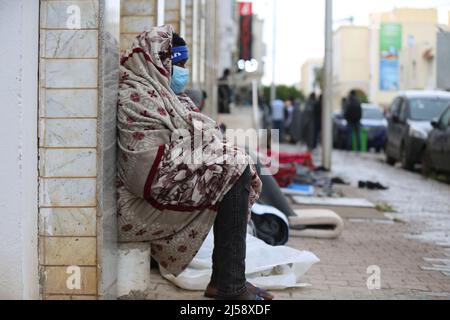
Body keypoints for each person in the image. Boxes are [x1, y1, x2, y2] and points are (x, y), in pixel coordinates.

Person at [117, 26, 272, 300]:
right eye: (179, 64)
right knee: (234, 169)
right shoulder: (135, 92)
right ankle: (230, 284)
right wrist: (200, 145)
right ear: (160, 61)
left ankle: (227, 280)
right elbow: (143, 166)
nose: (183, 71)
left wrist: (201, 144)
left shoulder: (167, 93)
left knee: (238, 164)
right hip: (139, 195)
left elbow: (198, 135)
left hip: (166, 176)